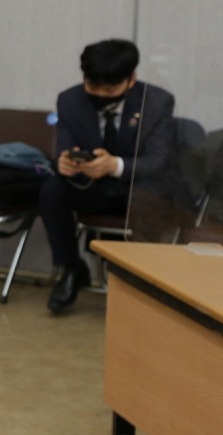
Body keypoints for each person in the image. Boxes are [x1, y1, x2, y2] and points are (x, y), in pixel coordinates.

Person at [39, 39, 176, 314]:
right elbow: (65, 147)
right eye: (93, 87)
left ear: (131, 79)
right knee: (52, 189)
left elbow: (159, 162)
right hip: (94, 188)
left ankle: (142, 283)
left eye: (110, 89)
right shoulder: (70, 100)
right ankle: (71, 268)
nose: (101, 94)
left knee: (154, 194)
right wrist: (65, 162)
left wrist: (115, 166)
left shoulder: (156, 102)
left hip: (138, 190)